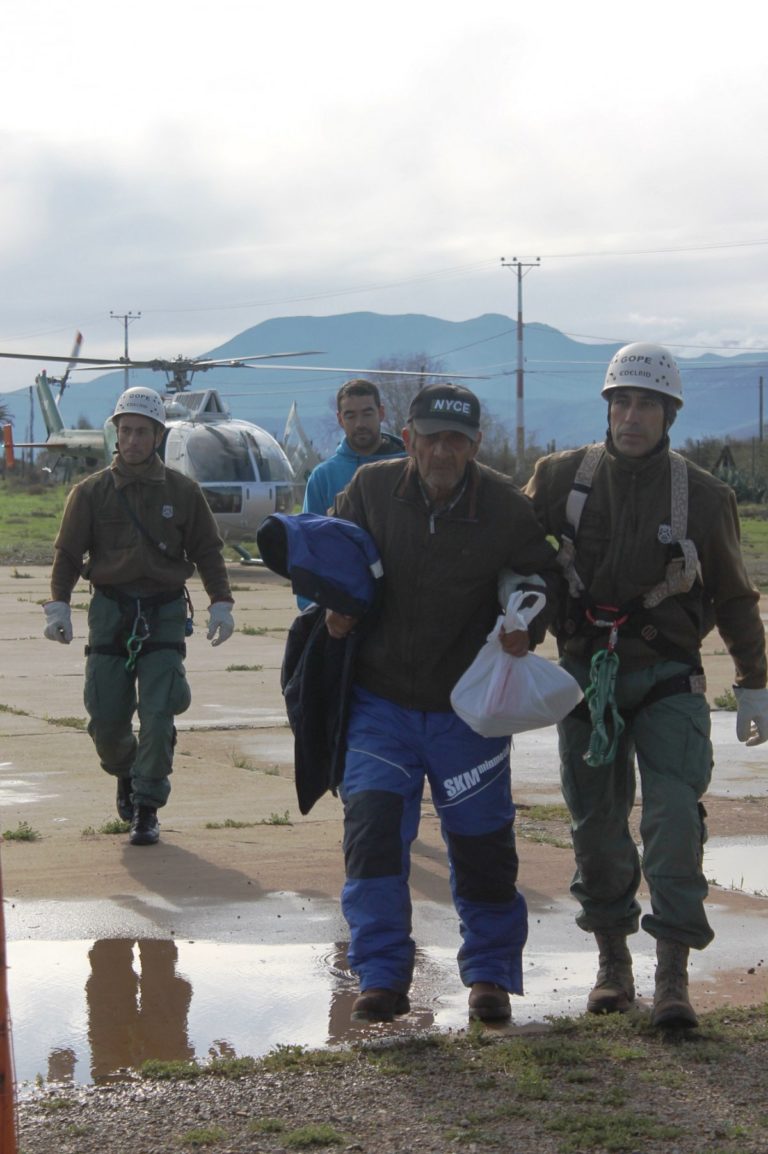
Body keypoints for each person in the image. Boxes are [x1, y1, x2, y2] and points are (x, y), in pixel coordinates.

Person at [524, 341, 768, 1028]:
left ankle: (672, 978)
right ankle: (613, 963)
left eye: (648, 405)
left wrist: (754, 679)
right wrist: (512, 630)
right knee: (596, 826)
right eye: (623, 402)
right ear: (607, 408)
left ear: (670, 414)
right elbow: (511, 556)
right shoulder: (559, 478)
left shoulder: (706, 496)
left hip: (667, 677)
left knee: (672, 824)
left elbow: (734, 595)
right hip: (582, 678)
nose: (633, 416)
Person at [325, 382, 560, 1024]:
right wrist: (333, 610)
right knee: (372, 835)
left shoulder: (507, 508)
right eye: (430, 437)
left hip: (467, 711)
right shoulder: (370, 491)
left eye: (457, 439)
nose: (442, 451)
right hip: (381, 705)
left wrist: (526, 623)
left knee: (482, 845)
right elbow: (335, 560)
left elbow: (540, 576)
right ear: (409, 440)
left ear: (476, 445)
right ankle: (381, 975)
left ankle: (488, 973)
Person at [43, 386, 235, 847]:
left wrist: (221, 602)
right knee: (106, 720)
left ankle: (147, 807)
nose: (132, 440)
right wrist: (58, 605)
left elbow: (208, 551)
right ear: (116, 434)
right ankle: (125, 771)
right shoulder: (89, 493)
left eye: (141, 431)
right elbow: (68, 553)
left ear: (157, 436)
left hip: (164, 611)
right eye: (125, 430)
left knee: (158, 711)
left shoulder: (183, 492)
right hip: (110, 611)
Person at [302, 379, 406, 516]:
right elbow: (310, 534)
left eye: (367, 414)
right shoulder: (323, 477)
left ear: (381, 413)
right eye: (350, 416)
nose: (359, 424)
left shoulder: (409, 467)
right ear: (340, 420)